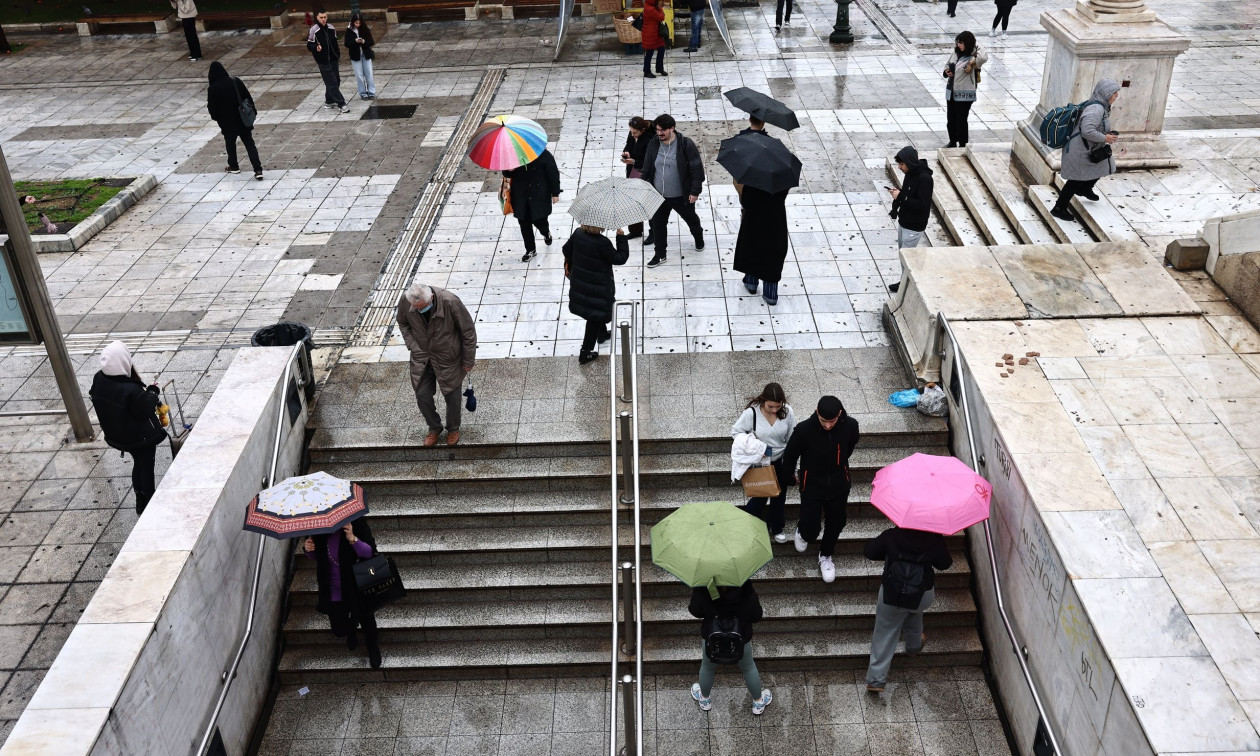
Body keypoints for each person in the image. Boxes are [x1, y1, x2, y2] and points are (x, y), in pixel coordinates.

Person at [863, 525, 953, 692]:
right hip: (921, 595)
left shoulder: (892, 535)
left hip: (893, 595)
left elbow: (869, 551)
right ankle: (913, 645)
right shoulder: (934, 539)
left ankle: (876, 681)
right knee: (913, 611)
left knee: (885, 630)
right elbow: (945, 564)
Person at [782, 396, 860, 583]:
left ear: (839, 415)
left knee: (837, 522)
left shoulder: (851, 425)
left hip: (839, 484)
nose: (827, 426)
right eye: (823, 421)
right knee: (811, 528)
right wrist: (789, 477)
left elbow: (850, 446)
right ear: (817, 412)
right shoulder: (803, 430)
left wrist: (839, 464)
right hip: (812, 485)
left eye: (831, 421)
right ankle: (803, 530)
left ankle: (825, 555)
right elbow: (791, 454)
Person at [88, 341, 167, 515]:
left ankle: (140, 499)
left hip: (119, 435)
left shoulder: (99, 378)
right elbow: (144, 409)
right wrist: (153, 392)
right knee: (146, 467)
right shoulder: (130, 389)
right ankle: (148, 503)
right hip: (140, 438)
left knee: (138, 463)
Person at [396, 283, 478, 447]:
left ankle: (453, 428)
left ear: (431, 298)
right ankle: (434, 428)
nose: (419, 310)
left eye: (422, 307)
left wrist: (468, 360)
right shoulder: (406, 301)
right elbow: (403, 322)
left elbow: (468, 332)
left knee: (452, 396)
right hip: (422, 357)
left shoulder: (451, 302)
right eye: (416, 308)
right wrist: (412, 344)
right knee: (422, 395)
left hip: (448, 357)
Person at [304, 519, 382, 669]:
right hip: (332, 587)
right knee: (339, 629)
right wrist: (309, 550)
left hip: (356, 583)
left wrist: (353, 539)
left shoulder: (356, 523)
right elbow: (316, 556)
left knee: (367, 620)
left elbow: (370, 552)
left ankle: (373, 648)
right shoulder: (315, 525)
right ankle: (351, 628)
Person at [688, 581, 773, 716]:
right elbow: (757, 615)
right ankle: (758, 701)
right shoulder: (744, 586)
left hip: (712, 637)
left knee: (707, 667)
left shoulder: (704, 584)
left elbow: (695, 610)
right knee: (749, 668)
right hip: (740, 638)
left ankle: (704, 700)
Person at [730, 384, 797, 543]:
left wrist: (793, 466)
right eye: (770, 406)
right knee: (759, 495)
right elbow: (736, 431)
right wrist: (753, 444)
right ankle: (751, 524)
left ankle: (777, 527)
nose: (774, 410)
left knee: (779, 495)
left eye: (777, 406)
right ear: (763, 401)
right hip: (760, 461)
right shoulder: (751, 413)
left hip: (780, 460)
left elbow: (792, 439)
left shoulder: (787, 412)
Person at [732, 123, 790, 305]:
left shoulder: (753, 182)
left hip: (753, 221)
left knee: (752, 249)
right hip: (775, 222)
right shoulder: (782, 179)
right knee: (772, 254)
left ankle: (751, 282)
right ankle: (771, 294)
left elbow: (746, 201)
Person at [639, 114, 705, 268]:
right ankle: (660, 254)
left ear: (672, 128)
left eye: (662, 130)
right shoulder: (654, 143)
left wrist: (695, 191)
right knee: (658, 225)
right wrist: (644, 185)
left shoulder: (685, 144)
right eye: (657, 130)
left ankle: (698, 236)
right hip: (659, 195)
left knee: (691, 219)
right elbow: (648, 166)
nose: (659, 133)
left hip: (681, 195)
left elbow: (697, 169)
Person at [1051, 79, 1121, 224]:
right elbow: (1087, 131)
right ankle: (1059, 208)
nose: (1116, 96)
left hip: (1088, 147)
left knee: (1103, 165)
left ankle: (1086, 188)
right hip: (1080, 150)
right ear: (1107, 94)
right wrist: (1105, 137)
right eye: (1114, 93)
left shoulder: (1101, 106)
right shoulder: (1096, 109)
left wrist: (1106, 134)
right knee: (1074, 181)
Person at [564, 225, 630, 365]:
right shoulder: (602, 243)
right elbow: (620, 258)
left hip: (581, 283)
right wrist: (621, 237)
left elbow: (565, 249)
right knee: (595, 315)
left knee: (596, 310)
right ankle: (585, 352)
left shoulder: (578, 233)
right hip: (598, 286)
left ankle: (602, 334)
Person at [207, 62, 263, 180]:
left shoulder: (213, 88)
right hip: (242, 118)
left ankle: (234, 166)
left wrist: (217, 118)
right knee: (249, 143)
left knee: (230, 143)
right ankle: (258, 169)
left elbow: (212, 108)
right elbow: (247, 97)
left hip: (227, 122)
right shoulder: (235, 81)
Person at [504, 149, 561, 263]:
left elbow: (553, 173)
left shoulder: (543, 154)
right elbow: (506, 173)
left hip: (538, 194)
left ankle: (546, 233)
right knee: (524, 223)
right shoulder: (514, 154)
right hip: (521, 195)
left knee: (540, 220)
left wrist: (555, 193)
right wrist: (509, 170)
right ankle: (530, 250)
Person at [943, 31, 986, 149]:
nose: (958, 45)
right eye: (957, 42)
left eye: (961, 43)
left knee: (961, 120)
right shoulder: (956, 52)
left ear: (968, 43)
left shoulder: (974, 56)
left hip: (965, 93)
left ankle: (963, 145)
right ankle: (952, 141)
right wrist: (946, 71)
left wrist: (975, 45)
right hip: (951, 91)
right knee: (951, 119)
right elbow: (947, 65)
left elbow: (984, 56)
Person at [889, 146, 933, 249]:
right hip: (904, 221)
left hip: (914, 226)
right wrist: (898, 193)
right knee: (902, 255)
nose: (899, 167)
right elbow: (907, 193)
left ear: (909, 162)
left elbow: (922, 205)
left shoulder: (925, 179)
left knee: (907, 259)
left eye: (902, 164)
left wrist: (901, 196)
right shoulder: (909, 173)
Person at [307, 9, 349, 114]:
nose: (323, 19)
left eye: (325, 17)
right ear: (317, 18)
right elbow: (309, 44)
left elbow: (334, 42)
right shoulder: (314, 30)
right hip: (323, 60)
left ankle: (329, 101)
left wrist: (337, 54)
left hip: (333, 58)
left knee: (336, 80)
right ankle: (341, 103)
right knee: (332, 82)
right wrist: (316, 48)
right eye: (321, 17)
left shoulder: (331, 28)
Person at [620, 116, 653, 239]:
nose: (632, 134)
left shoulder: (650, 139)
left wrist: (634, 161)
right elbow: (628, 146)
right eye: (631, 132)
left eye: (635, 132)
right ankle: (635, 230)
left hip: (645, 174)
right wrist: (626, 153)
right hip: (633, 172)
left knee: (648, 203)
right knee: (632, 201)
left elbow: (650, 160)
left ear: (643, 130)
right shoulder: (632, 134)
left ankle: (653, 232)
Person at [344, 13, 376, 101]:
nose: (358, 25)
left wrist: (364, 42)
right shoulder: (349, 30)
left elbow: (371, 41)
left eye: (359, 23)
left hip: (365, 54)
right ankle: (363, 93)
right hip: (355, 55)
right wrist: (355, 41)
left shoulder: (365, 29)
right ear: (353, 22)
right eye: (356, 23)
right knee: (359, 75)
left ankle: (371, 92)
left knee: (369, 74)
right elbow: (347, 44)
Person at [640, 0, 668, 79]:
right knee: (649, 53)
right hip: (650, 34)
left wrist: (658, 7)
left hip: (656, 33)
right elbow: (661, 17)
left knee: (661, 49)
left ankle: (659, 69)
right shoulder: (650, 9)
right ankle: (647, 71)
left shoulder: (650, 6)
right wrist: (661, 8)